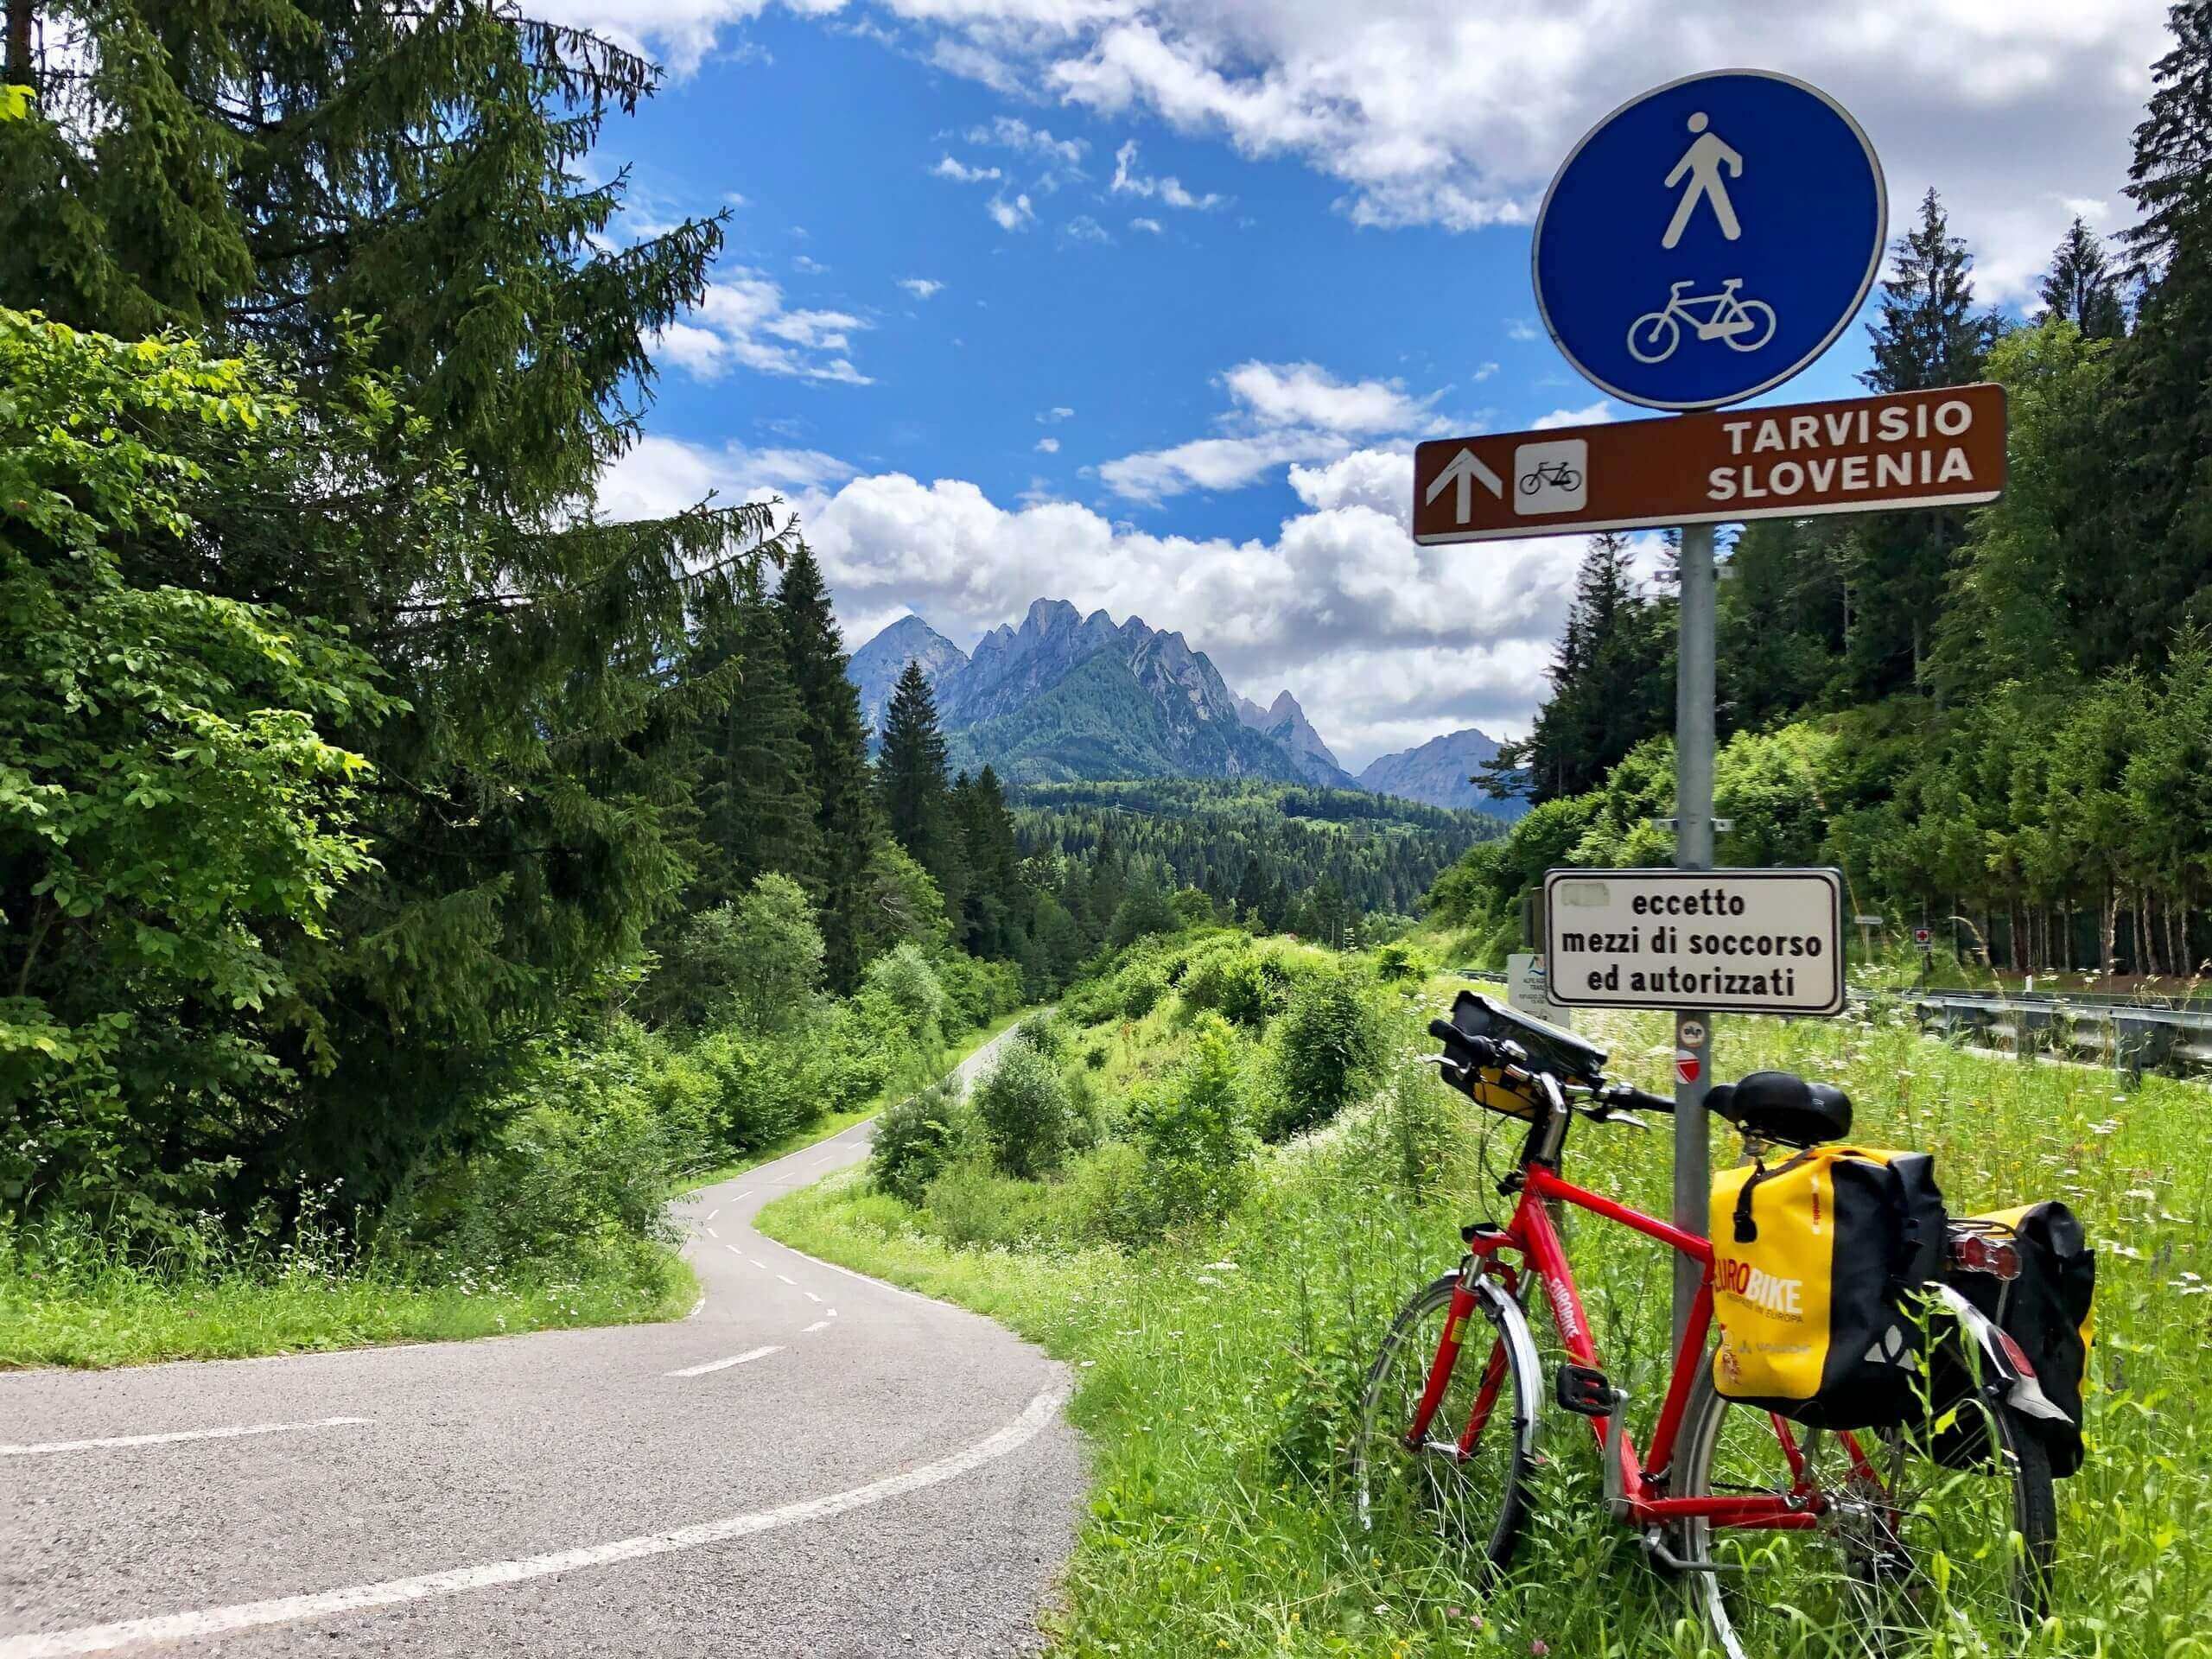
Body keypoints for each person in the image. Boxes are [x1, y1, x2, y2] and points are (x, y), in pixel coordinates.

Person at [1662, 111, 1743, 249]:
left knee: (1716, 203)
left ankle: (1733, 233)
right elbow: (1685, 163)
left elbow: (1733, 156)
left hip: (1710, 175)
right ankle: (1670, 241)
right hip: (1699, 177)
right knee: (1688, 205)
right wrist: (1671, 181)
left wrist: (1736, 170)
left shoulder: (1710, 139)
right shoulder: (1699, 143)